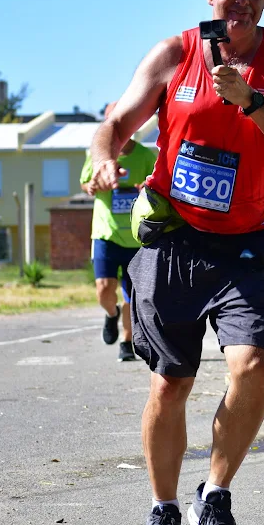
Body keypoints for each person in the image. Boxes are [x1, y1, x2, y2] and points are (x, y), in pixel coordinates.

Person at [89, 0, 264, 525]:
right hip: (176, 244)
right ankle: (163, 508)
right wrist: (104, 157)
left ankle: (214, 495)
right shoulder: (175, 53)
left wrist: (252, 102)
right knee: (171, 383)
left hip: (246, 249)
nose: (243, 0)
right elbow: (114, 125)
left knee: (255, 366)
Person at [80, 102, 157, 361]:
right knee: (104, 288)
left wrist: (145, 188)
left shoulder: (145, 156)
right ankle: (111, 314)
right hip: (106, 233)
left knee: (132, 295)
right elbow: (86, 184)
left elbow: (158, 184)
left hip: (136, 236)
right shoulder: (98, 155)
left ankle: (126, 341)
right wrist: (92, 186)